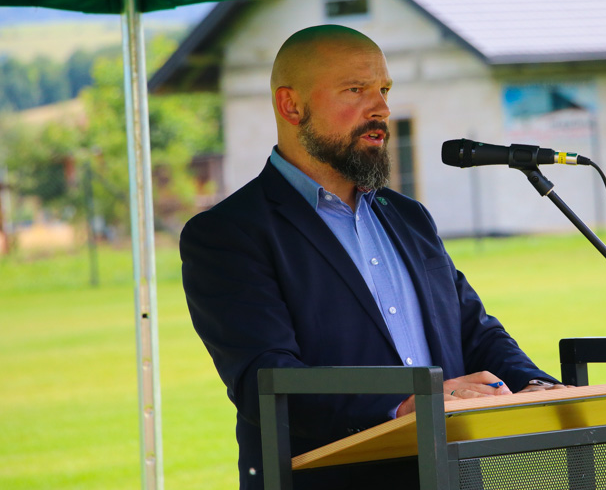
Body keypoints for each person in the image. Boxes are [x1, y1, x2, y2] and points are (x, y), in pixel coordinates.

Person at [180, 25, 564, 490]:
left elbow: (471, 330)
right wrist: (406, 405)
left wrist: (536, 386)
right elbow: (267, 381)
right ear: (291, 105)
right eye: (355, 89)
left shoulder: (409, 217)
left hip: (449, 475)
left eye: (383, 90)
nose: (381, 108)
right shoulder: (228, 233)